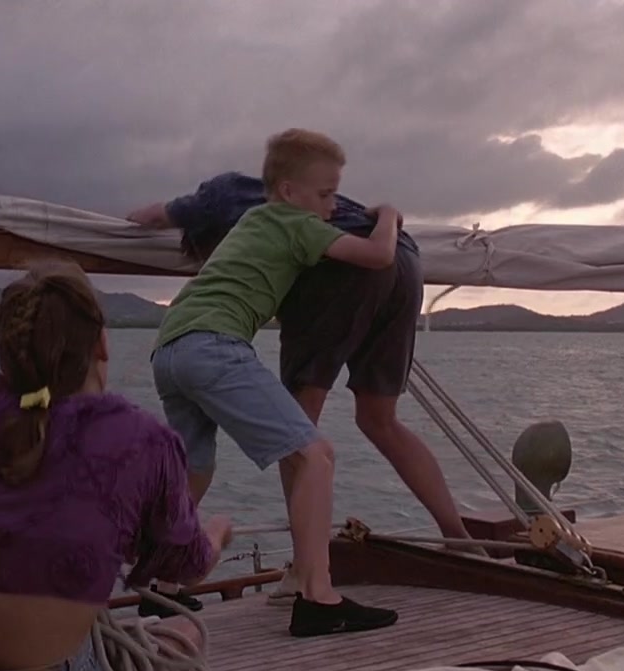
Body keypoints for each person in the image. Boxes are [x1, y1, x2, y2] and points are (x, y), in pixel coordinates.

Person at [128, 156, 481, 613]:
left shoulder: (229, 199)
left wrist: (134, 219)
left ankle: (302, 577)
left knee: (293, 442)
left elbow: (150, 216)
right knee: (374, 422)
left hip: (213, 328)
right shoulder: (299, 207)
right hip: (405, 261)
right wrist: (389, 215)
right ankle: (459, 540)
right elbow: (381, 253)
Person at [0, 261, 234, 671]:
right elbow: (188, 564)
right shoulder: (142, 442)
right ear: (101, 342)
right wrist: (217, 532)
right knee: (186, 636)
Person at [145, 128, 401, 638]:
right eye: (326, 194)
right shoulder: (298, 223)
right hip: (213, 343)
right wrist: (389, 216)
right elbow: (379, 257)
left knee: (195, 469)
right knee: (314, 455)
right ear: (288, 192)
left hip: (169, 346)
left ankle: (162, 587)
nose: (333, 207)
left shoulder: (253, 219)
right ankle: (318, 597)